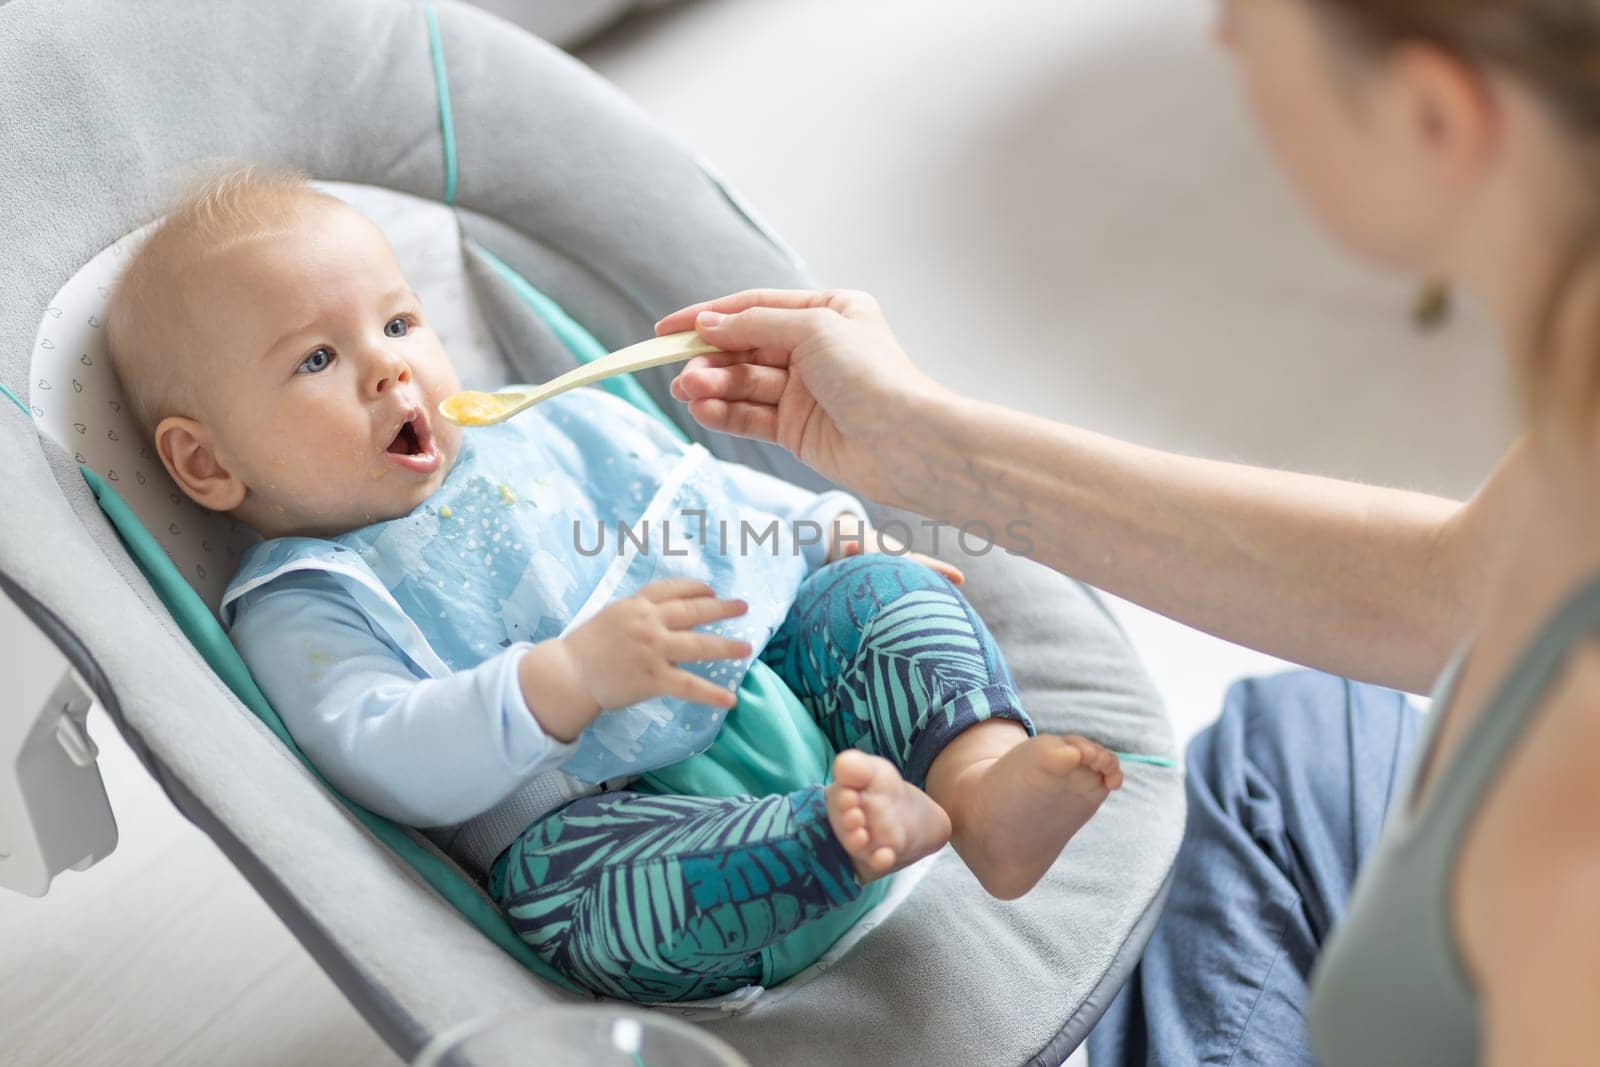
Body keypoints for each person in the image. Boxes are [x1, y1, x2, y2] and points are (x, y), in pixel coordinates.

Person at [653, 0, 1600, 1060]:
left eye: (1250, 9)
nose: (1223, 37)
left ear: (1432, 116)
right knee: (1295, 738)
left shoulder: (1564, 838)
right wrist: (927, 447)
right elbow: (1453, 588)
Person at [101, 167, 1125, 1006]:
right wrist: (557, 681)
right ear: (205, 465)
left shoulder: (536, 429)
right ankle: (832, 840)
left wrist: (819, 535)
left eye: (400, 323)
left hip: (768, 673)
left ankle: (978, 779)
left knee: (878, 591)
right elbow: (381, 749)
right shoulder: (304, 596)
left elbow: (688, 492)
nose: (388, 371)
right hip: (596, 817)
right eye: (318, 357)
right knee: (585, 907)